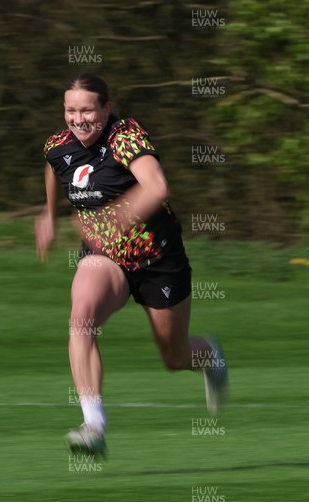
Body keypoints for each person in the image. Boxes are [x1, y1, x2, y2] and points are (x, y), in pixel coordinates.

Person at [35, 73, 228, 457]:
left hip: (158, 259)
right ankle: (94, 426)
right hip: (105, 258)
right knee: (81, 317)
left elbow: (156, 187)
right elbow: (55, 169)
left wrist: (113, 221)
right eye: (71, 110)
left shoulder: (124, 137)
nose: (79, 119)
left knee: (174, 357)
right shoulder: (59, 145)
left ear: (106, 109)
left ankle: (208, 354)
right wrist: (49, 214)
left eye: (88, 109)